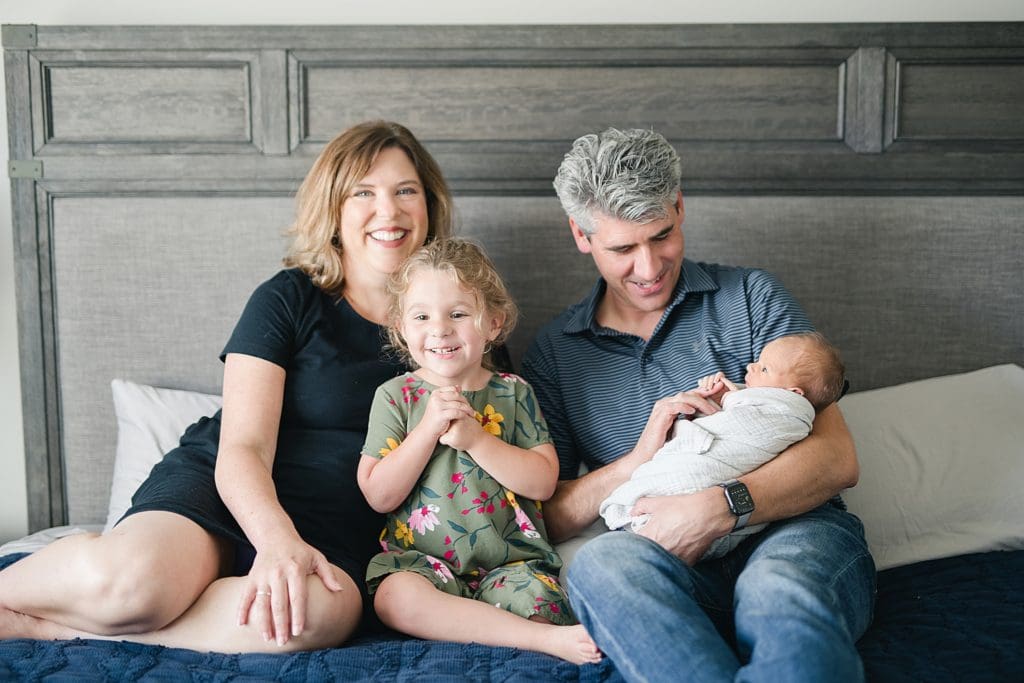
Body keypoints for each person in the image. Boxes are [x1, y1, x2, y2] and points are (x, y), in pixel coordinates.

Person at [0, 120, 454, 653]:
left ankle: (53, 628)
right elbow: (245, 446)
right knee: (132, 587)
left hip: (337, 532)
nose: (389, 210)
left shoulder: (459, 324)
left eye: (406, 191)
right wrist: (277, 541)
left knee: (301, 621)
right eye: (363, 193)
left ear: (429, 205)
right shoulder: (289, 298)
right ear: (333, 209)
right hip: (225, 496)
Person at [521, 127, 875, 681]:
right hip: (666, 559)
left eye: (661, 235)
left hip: (792, 535)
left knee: (777, 590)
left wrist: (719, 507)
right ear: (581, 235)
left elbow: (837, 459)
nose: (649, 268)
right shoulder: (554, 353)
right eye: (622, 249)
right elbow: (546, 517)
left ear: (680, 207)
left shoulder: (752, 297)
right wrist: (636, 461)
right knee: (600, 565)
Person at [357, 238, 601, 665]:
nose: (440, 329)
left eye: (458, 314)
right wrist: (427, 430)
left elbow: (543, 482)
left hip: (512, 564)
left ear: (493, 323)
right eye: (421, 316)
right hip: (422, 565)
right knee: (394, 598)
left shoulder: (513, 393)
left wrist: (477, 440)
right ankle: (527, 637)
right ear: (400, 327)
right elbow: (378, 494)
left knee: (540, 601)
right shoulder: (396, 396)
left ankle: (531, 634)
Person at [600, 332, 846, 561]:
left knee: (778, 580)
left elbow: (840, 462)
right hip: (687, 528)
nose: (750, 367)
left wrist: (728, 399)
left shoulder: (787, 412)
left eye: (764, 368)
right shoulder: (755, 398)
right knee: (600, 558)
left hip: (788, 518)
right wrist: (720, 403)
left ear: (793, 393)